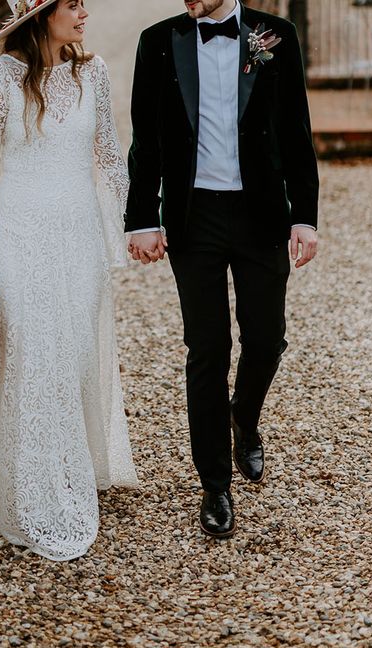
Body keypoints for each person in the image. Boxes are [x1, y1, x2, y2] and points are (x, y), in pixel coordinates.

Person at [0, 0, 139, 561]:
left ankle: (76, 459)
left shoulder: (92, 72)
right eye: (73, 4)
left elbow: (112, 157)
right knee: (32, 354)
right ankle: (35, 489)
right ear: (42, 16)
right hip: (18, 237)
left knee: (70, 353)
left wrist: (146, 221)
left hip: (79, 240)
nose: (84, 12)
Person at [125, 0, 319, 538]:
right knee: (206, 347)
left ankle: (245, 417)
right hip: (194, 216)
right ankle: (214, 485)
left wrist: (304, 216)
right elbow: (146, 137)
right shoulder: (158, 40)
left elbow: (296, 128)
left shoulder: (274, 34)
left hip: (260, 214)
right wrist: (141, 217)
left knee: (267, 338)